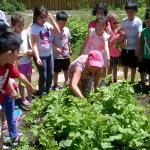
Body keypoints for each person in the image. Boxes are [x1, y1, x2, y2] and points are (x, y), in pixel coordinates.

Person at [0, 32, 36, 149]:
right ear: (9, 54)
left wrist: (29, 85)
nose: (19, 55)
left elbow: (20, 76)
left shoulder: (8, 65)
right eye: (18, 53)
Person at [30, 5, 60, 96]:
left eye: (44, 17)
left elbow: (57, 31)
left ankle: (48, 91)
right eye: (40, 18)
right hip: (41, 56)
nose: (43, 19)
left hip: (49, 54)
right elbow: (34, 45)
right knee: (43, 75)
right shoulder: (34, 28)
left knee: (50, 74)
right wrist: (37, 57)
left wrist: (52, 19)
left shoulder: (46, 24)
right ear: (36, 17)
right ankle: (42, 93)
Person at [11, 13, 33, 105]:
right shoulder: (12, 36)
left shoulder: (25, 33)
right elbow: (12, 50)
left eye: (23, 25)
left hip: (27, 60)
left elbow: (28, 44)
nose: (21, 27)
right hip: (19, 63)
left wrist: (30, 51)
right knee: (22, 82)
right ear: (13, 25)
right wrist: (17, 55)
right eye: (19, 25)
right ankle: (23, 98)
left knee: (29, 79)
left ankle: (30, 95)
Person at [84, 16, 110, 86]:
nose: (100, 27)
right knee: (89, 69)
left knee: (100, 69)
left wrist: (108, 57)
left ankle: (101, 83)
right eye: (98, 24)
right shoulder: (91, 31)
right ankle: (89, 84)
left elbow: (106, 47)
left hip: (99, 55)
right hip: (89, 54)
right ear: (95, 25)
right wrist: (80, 51)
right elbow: (85, 41)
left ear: (105, 26)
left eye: (102, 25)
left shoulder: (105, 36)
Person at [121, 1, 142, 83]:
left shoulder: (138, 21)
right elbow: (120, 29)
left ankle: (132, 81)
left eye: (132, 12)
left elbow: (139, 34)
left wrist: (138, 48)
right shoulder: (124, 21)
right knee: (125, 65)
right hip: (125, 47)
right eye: (128, 12)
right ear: (126, 11)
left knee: (133, 65)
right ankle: (125, 80)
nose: (130, 14)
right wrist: (124, 36)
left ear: (136, 11)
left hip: (134, 47)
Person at [52, 11, 72, 90]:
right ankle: (55, 84)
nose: (62, 25)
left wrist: (70, 49)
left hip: (66, 55)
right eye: (60, 23)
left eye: (64, 23)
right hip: (57, 56)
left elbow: (68, 41)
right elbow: (51, 42)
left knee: (66, 70)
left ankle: (66, 82)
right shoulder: (54, 31)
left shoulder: (66, 30)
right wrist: (56, 48)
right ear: (56, 21)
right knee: (56, 71)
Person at [107, 13, 125, 83]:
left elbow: (120, 43)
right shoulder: (109, 32)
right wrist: (115, 38)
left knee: (115, 67)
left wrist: (122, 36)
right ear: (109, 23)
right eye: (114, 22)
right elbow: (109, 44)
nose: (116, 24)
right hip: (110, 53)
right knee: (110, 67)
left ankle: (115, 79)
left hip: (117, 53)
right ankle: (109, 80)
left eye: (117, 22)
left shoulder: (118, 31)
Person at [138, 11, 150, 86]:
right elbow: (141, 43)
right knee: (142, 69)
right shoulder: (143, 31)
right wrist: (140, 53)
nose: (149, 24)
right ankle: (142, 81)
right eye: (147, 22)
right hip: (144, 55)